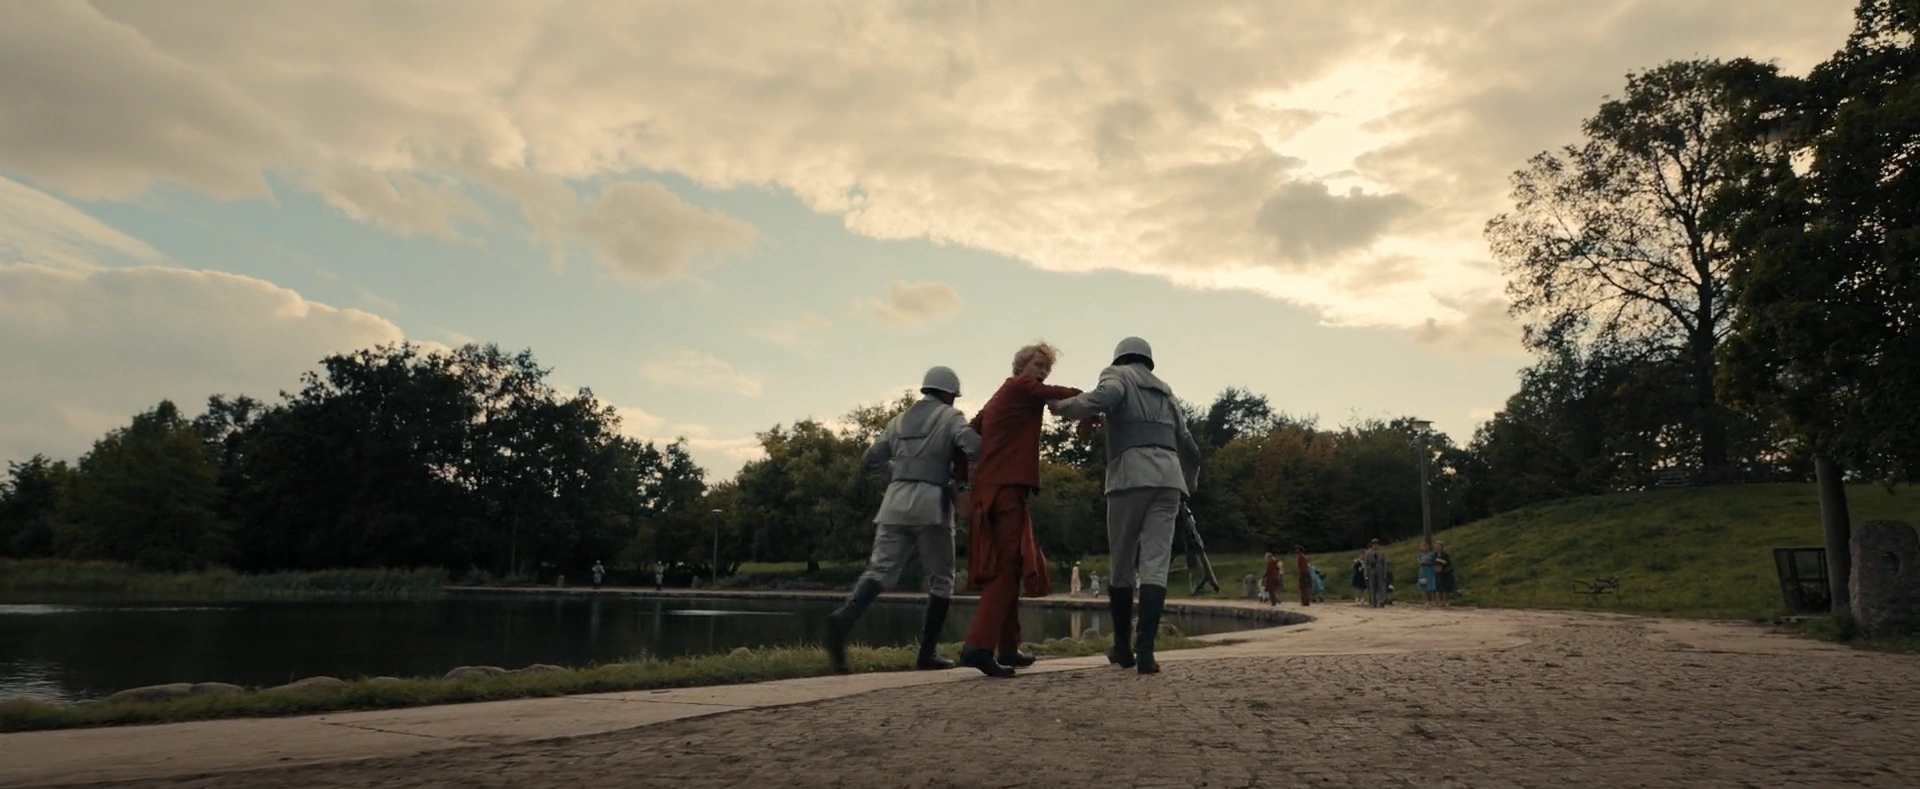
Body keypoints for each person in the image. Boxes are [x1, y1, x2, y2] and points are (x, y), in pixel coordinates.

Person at [1050, 337, 1202, 675]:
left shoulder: (1117, 375)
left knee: (1121, 563)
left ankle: (1122, 646)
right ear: (1148, 361)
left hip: (1129, 477)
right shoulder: (1166, 392)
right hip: (1169, 482)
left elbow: (1104, 397)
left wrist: (1063, 407)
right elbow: (1191, 448)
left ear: (1120, 359)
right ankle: (1146, 650)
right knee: (1155, 566)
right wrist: (1188, 485)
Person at [824, 366, 981, 675]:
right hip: (931, 505)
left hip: (894, 503)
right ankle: (927, 653)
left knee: (880, 570)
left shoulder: (897, 421)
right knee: (942, 578)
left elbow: (870, 459)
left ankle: (844, 618)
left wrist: (900, 469)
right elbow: (974, 447)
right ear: (949, 394)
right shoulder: (951, 417)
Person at [954, 342, 1086, 677]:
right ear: (1021, 366)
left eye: (1046, 368)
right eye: (1037, 365)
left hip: (993, 488)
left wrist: (964, 483)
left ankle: (1008, 648)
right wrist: (1082, 396)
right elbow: (1048, 392)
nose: (1042, 372)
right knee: (1008, 567)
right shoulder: (1020, 386)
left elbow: (968, 434)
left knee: (1011, 565)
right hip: (1006, 488)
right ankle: (978, 647)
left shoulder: (1000, 397)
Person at [1363, 539, 1390, 608]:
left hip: (1380, 572)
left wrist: (1385, 573)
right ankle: (1373, 602)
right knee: (1372, 588)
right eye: (1374, 544)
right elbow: (1366, 564)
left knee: (1381, 587)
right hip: (1371, 572)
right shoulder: (1368, 553)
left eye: (1376, 544)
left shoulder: (1381, 553)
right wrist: (1366, 573)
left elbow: (1384, 564)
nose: (1375, 546)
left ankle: (1381, 601)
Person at [1433, 540, 1456, 605]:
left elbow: (1448, 562)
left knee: (1446, 588)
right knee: (1439, 588)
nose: (1437, 547)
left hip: (1446, 572)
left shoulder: (1445, 554)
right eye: (1436, 546)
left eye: (1438, 546)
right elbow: (1432, 562)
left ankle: (1446, 601)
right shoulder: (1434, 555)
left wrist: (1443, 563)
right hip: (1438, 573)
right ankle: (1440, 601)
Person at [1417, 540, 1438, 605]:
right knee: (1424, 585)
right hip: (1423, 570)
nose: (1424, 548)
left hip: (1430, 570)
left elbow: (1433, 562)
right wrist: (1422, 562)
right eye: (1423, 546)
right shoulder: (1420, 555)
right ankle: (1426, 601)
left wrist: (1427, 562)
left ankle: (1433, 600)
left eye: (1426, 546)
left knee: (1431, 586)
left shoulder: (1431, 554)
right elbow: (1419, 561)